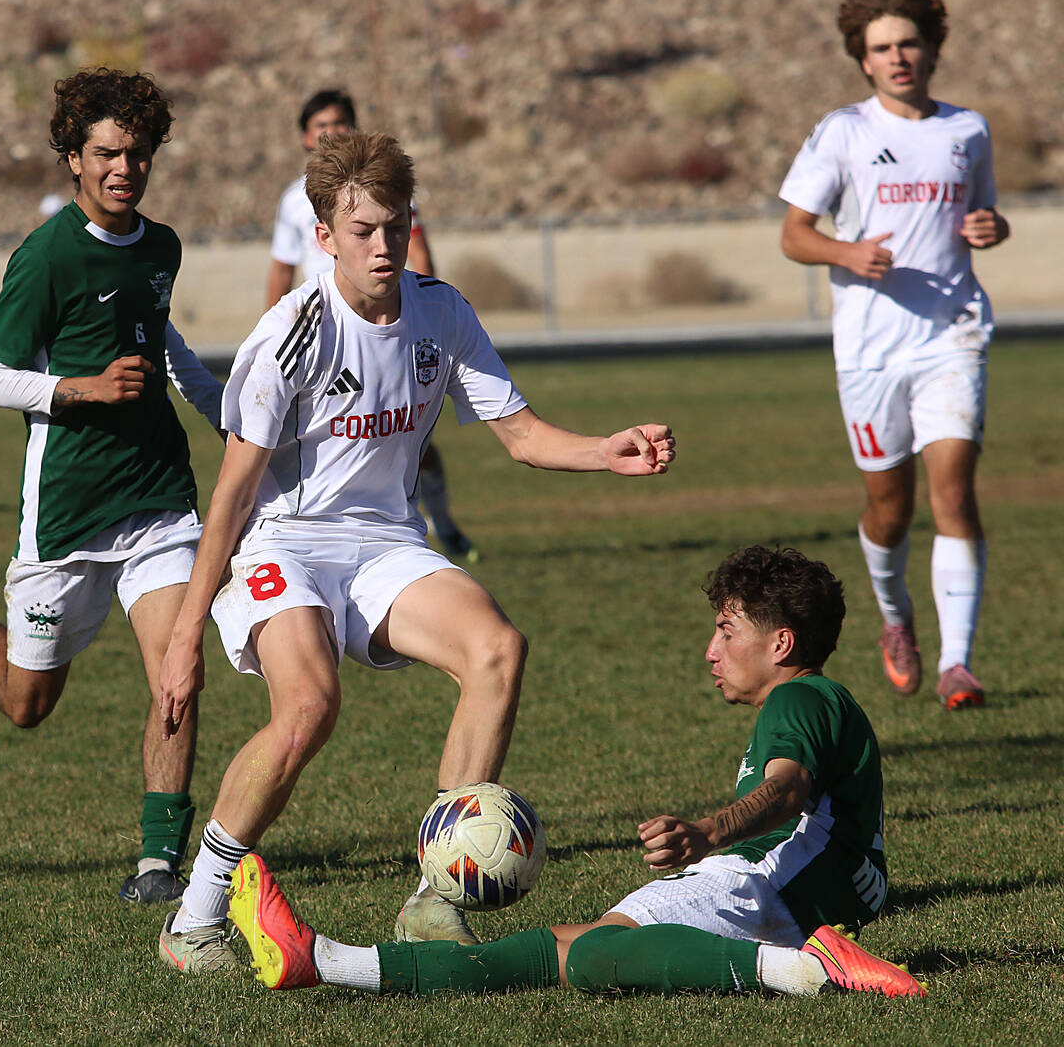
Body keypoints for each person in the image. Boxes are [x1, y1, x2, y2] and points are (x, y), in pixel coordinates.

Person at [155, 130, 676, 973]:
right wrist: (185, 638)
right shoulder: (291, 333)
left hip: (387, 541)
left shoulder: (442, 312)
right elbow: (233, 494)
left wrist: (604, 449)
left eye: (395, 226)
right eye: (363, 230)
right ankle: (195, 913)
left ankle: (435, 898)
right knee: (309, 706)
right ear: (324, 236)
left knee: (497, 648)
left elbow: (521, 434)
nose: (383, 245)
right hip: (286, 539)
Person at [220, 545, 927, 1001]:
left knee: (590, 959)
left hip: (756, 883)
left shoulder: (800, 697)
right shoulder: (825, 701)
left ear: (781, 643)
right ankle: (320, 959)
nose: (711, 650)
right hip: (794, 892)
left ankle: (809, 969)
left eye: (727, 630)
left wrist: (709, 832)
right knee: (553, 950)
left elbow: (786, 789)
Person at [0, 68, 224, 904]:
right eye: (107, 153)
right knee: (27, 704)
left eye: (138, 153)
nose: (124, 169)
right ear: (74, 158)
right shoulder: (45, 256)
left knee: (177, 671)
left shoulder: (162, 246)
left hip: (158, 497)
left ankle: (158, 864)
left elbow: (163, 340)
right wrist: (83, 389)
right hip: (69, 510)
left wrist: (228, 416)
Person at [778, 0, 1009, 710]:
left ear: (932, 49)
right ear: (864, 59)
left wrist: (991, 227)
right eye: (882, 48)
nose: (898, 57)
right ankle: (895, 616)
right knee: (889, 509)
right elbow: (794, 235)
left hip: (952, 333)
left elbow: (985, 214)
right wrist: (846, 253)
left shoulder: (967, 130)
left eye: (909, 43)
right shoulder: (843, 132)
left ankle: (958, 664)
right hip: (871, 349)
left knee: (955, 492)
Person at [267, 88, 477, 562]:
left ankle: (437, 526)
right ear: (306, 137)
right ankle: (305, 536)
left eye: (340, 123)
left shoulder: (383, 192)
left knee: (405, 439)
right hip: (324, 340)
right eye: (321, 126)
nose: (332, 133)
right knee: (322, 440)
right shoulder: (293, 202)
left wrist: (424, 311)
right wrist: (274, 330)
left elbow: (418, 251)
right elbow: (281, 268)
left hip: (384, 325)